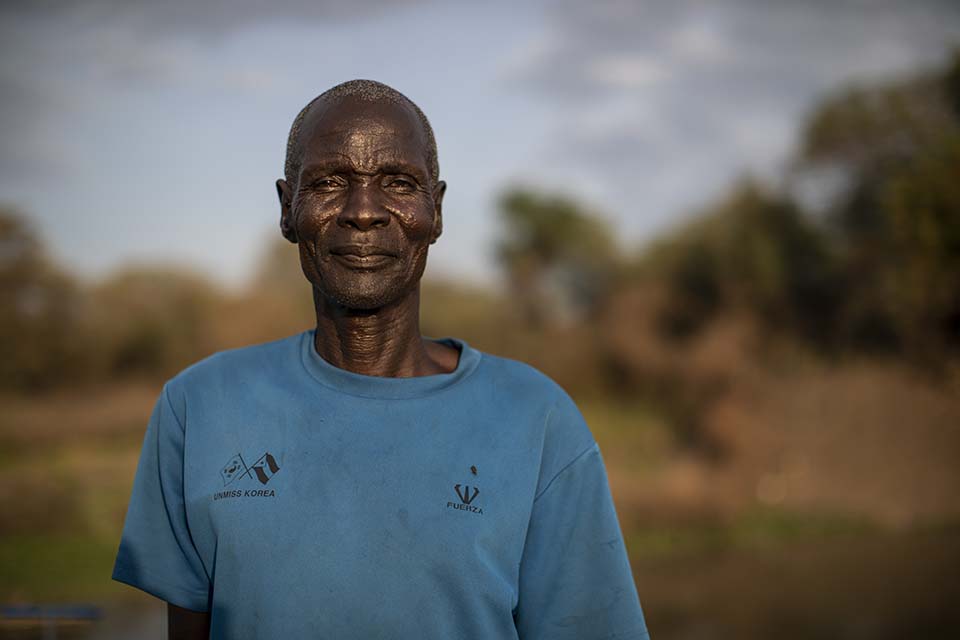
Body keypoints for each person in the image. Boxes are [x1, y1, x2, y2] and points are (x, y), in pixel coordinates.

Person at [112, 79, 650, 640]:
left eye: (397, 182)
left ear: (435, 211)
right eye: (327, 182)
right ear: (287, 209)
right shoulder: (199, 406)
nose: (363, 212)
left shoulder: (537, 419)